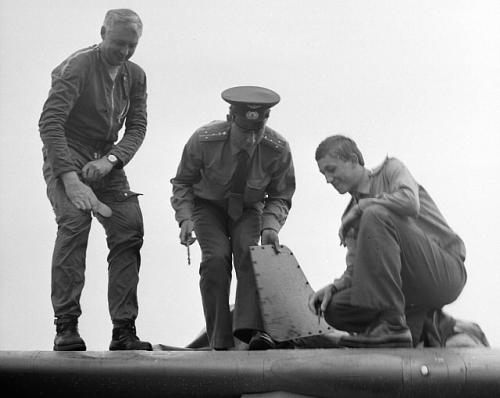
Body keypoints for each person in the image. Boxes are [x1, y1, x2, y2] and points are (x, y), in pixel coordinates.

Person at [39, 9, 152, 351]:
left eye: (132, 45)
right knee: (74, 223)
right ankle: (66, 326)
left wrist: (111, 160)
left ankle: (124, 330)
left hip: (106, 161)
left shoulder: (136, 75)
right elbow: (50, 123)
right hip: (68, 152)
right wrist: (70, 179)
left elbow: (137, 126)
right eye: (118, 43)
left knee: (129, 229)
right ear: (103, 32)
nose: (124, 52)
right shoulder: (78, 66)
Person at [309, 135, 467, 348]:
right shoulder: (351, 215)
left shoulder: (391, 169)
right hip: (404, 292)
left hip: (442, 272)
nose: (328, 179)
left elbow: (410, 202)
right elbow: (357, 270)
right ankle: (412, 323)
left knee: (374, 214)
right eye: (323, 174)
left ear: (354, 160)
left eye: (332, 169)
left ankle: (393, 325)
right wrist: (335, 287)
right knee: (334, 308)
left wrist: (361, 207)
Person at [171, 86, 296, 350]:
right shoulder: (204, 140)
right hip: (208, 208)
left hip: (250, 208)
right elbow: (182, 182)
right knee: (215, 259)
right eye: (244, 131)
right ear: (230, 121)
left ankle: (254, 332)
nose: (251, 140)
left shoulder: (277, 148)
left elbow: (281, 194)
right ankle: (220, 338)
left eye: (257, 131)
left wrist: (271, 227)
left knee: (250, 254)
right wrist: (185, 219)